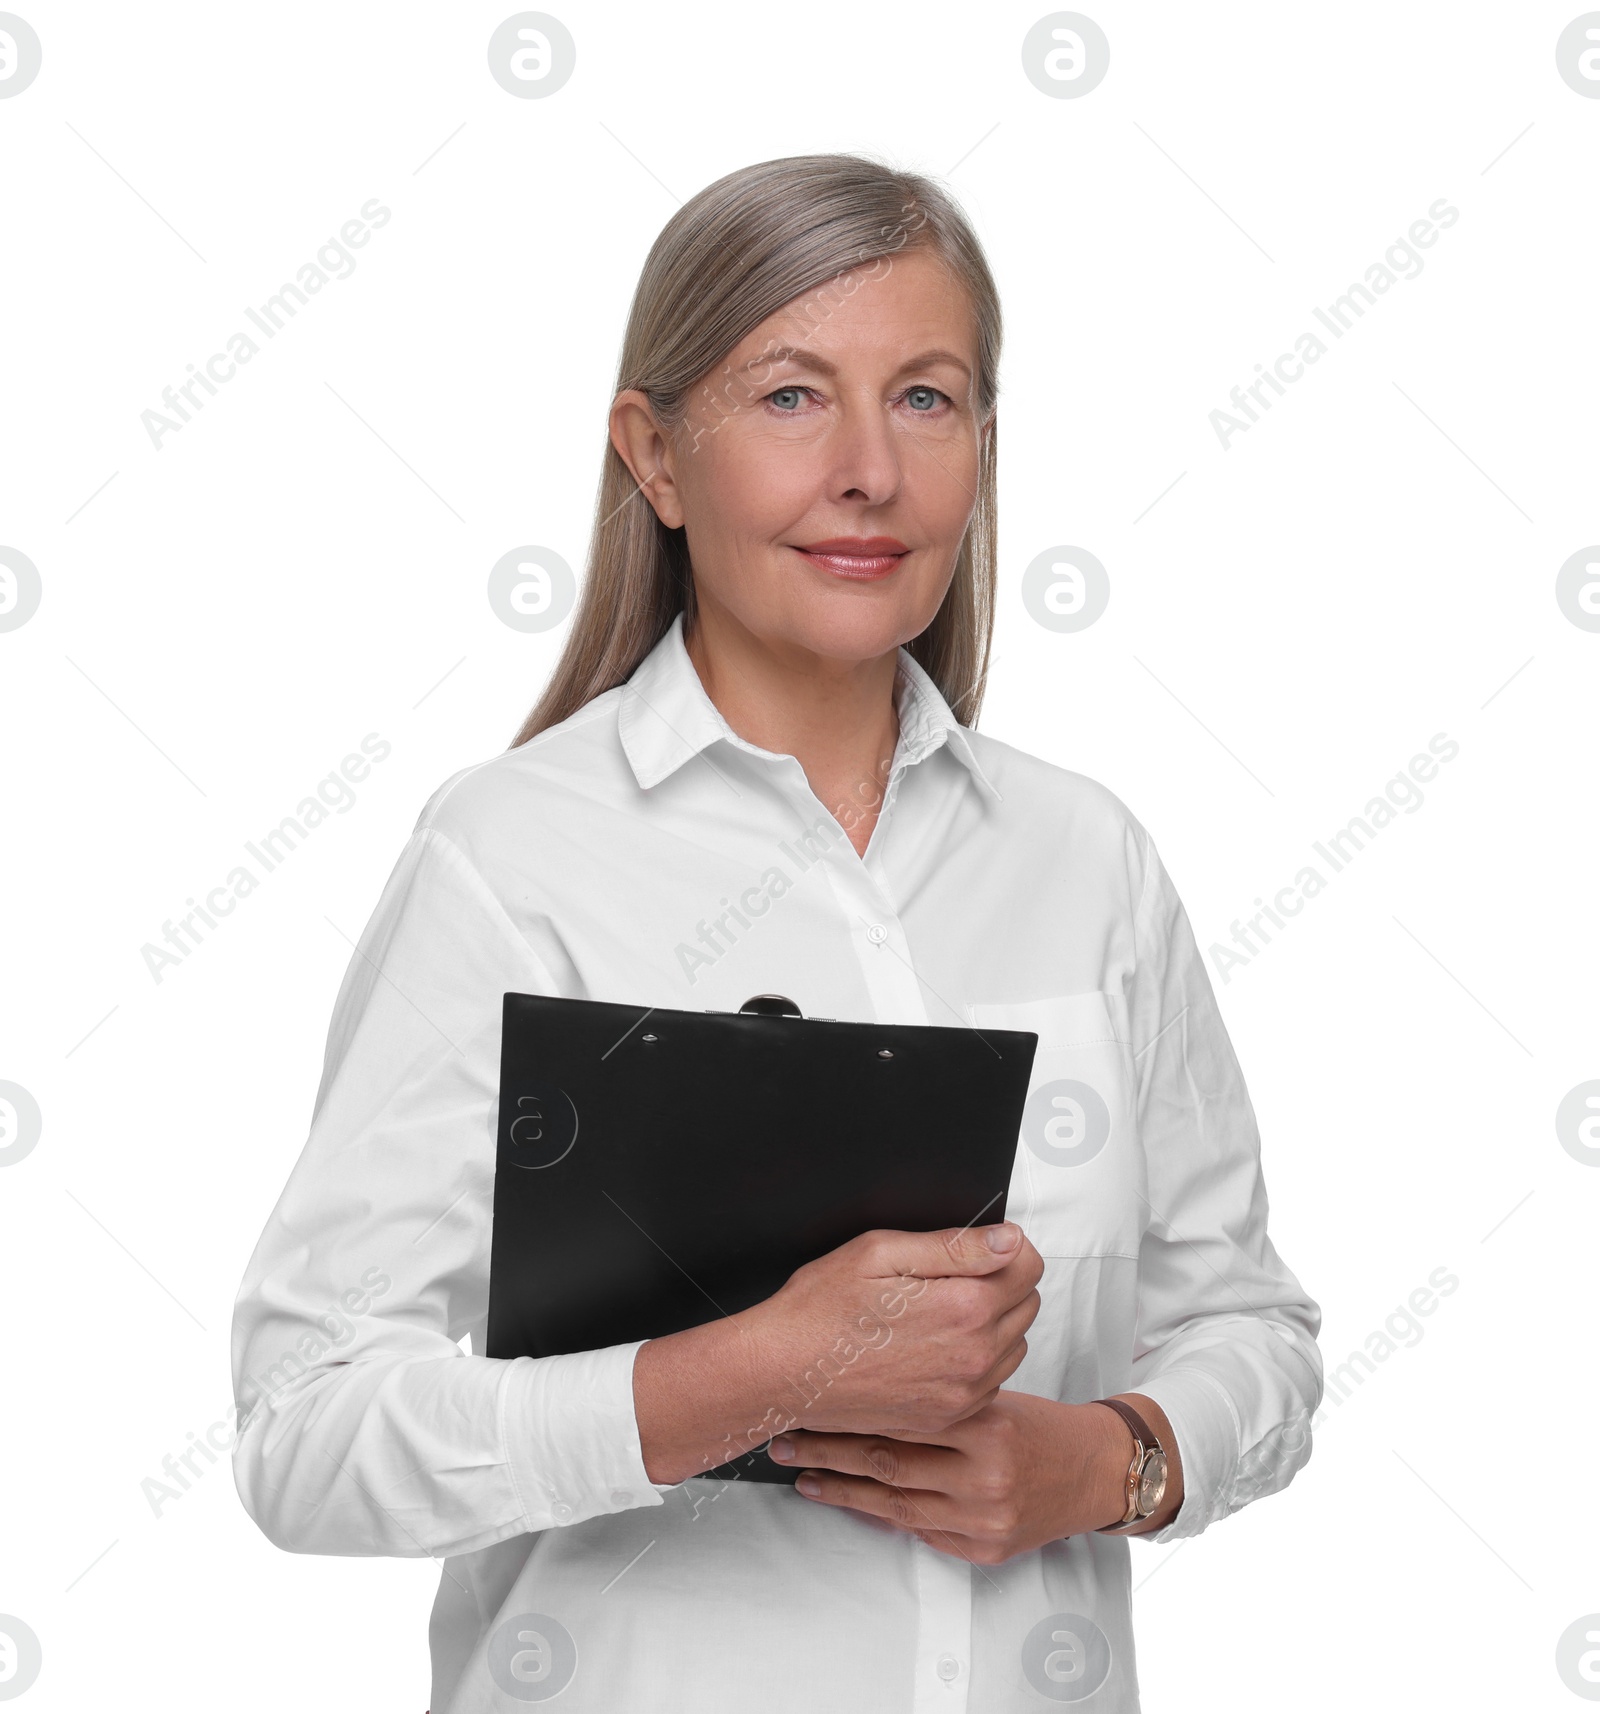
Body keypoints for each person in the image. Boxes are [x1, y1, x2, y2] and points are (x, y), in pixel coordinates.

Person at [229, 152, 1323, 1713]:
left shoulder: (1090, 860)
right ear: (656, 458)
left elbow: (1249, 1325)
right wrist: (742, 1377)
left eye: (927, 398)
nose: (870, 469)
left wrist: (1107, 1462)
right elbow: (302, 1428)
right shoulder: (509, 861)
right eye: (793, 397)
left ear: (983, 446)